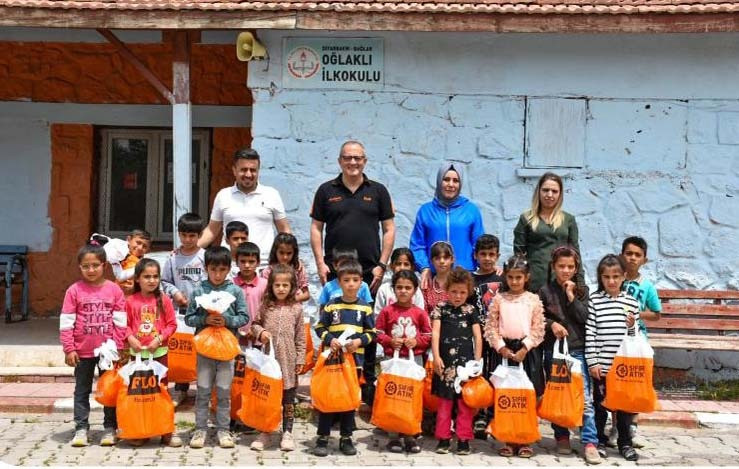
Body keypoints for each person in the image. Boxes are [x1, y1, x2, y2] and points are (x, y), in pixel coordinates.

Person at [60, 243, 126, 447]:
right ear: (79, 267)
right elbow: (66, 322)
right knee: (82, 390)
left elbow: (120, 321)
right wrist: (69, 348)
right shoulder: (74, 291)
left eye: (95, 265)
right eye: (86, 266)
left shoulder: (114, 290)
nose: (91, 270)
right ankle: (81, 428)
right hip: (82, 351)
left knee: (109, 390)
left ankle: (110, 428)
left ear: (104, 265)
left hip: (108, 352)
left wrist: (119, 346)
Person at [538, 246, 600, 464]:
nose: (565, 270)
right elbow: (537, 317)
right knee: (558, 394)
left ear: (576, 268)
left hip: (577, 350)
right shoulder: (545, 291)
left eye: (570, 267)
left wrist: (571, 294)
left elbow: (583, 317)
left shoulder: (583, 291)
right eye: (561, 266)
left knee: (584, 397)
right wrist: (552, 324)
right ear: (553, 267)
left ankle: (590, 441)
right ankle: (562, 436)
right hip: (553, 351)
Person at [310, 140, 395, 292]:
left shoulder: (379, 191)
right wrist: (320, 264)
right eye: (347, 158)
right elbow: (316, 228)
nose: (353, 162)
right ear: (339, 161)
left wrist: (381, 265)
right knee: (333, 315)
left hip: (369, 272)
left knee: (366, 315)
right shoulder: (325, 190)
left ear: (365, 161)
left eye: (357, 158)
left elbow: (389, 229)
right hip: (334, 271)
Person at [185, 247, 249, 449]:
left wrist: (226, 320)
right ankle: (200, 429)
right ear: (206, 268)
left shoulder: (235, 291)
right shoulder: (199, 291)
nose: (218, 274)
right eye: (213, 269)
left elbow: (244, 317)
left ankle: (223, 430)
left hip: (227, 350)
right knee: (203, 390)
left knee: (223, 391)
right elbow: (188, 318)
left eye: (222, 269)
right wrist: (205, 319)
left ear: (229, 269)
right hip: (204, 350)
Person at [313, 260, 376, 457]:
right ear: (339, 282)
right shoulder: (332, 306)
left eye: (355, 280)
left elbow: (372, 333)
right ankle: (322, 437)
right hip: (332, 362)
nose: (350, 284)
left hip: (354, 363)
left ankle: (346, 438)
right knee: (328, 397)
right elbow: (319, 327)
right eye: (346, 280)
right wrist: (330, 340)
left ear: (361, 283)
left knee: (349, 399)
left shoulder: (365, 308)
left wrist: (358, 342)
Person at [484, 254, 545, 458]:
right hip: (505, 353)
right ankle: (508, 438)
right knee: (506, 397)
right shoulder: (499, 299)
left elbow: (538, 328)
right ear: (506, 278)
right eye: (511, 277)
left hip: (526, 352)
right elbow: (491, 326)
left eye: (519, 277)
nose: (515, 281)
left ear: (526, 277)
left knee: (526, 397)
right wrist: (501, 347)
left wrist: (525, 348)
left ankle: (525, 438)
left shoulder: (533, 300)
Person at [585, 254, 640, 462]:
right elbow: (590, 333)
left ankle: (625, 442)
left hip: (623, 369)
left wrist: (632, 325)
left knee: (625, 408)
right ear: (601, 278)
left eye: (616, 276)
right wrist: (593, 362)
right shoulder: (595, 301)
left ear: (624, 276)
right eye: (606, 277)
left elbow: (635, 336)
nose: (611, 281)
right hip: (603, 367)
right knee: (601, 406)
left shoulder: (631, 303)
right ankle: (599, 440)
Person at [200, 147, 290, 266]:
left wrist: (292, 258)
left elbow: (284, 230)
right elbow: (212, 230)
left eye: (253, 170)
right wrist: (188, 251)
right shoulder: (223, 195)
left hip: (264, 265)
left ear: (258, 171)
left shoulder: (272, 194)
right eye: (243, 170)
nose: (248, 174)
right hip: (229, 266)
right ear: (234, 170)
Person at [249, 264, 306, 452]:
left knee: (287, 398)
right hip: (268, 360)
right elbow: (255, 325)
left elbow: (300, 336)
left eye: (285, 285)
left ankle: (287, 432)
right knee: (267, 397)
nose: (281, 289)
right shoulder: (266, 306)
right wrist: (261, 332)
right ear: (271, 286)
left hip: (288, 361)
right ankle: (265, 431)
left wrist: (300, 359)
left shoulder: (296, 308)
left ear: (292, 287)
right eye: (277, 285)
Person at [124, 258, 180, 447]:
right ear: (137, 279)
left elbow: (172, 324)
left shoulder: (164, 300)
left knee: (161, 392)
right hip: (137, 357)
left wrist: (159, 339)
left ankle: (166, 431)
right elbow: (124, 325)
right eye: (146, 276)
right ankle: (142, 430)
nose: (151, 280)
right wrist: (131, 338)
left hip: (160, 355)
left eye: (155, 276)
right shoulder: (130, 301)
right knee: (140, 394)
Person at [375, 270, 432, 454]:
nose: (403, 291)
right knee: (393, 397)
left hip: (413, 361)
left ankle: (410, 434)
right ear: (393, 289)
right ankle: (393, 437)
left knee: (411, 397)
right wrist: (389, 341)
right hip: (392, 361)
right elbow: (377, 332)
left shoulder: (420, 313)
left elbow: (428, 335)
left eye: (408, 288)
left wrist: (417, 342)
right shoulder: (387, 311)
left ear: (415, 290)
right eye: (399, 287)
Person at [616, 236, 662, 449]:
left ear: (644, 259)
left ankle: (632, 427)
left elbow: (656, 314)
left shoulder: (646, 286)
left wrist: (637, 314)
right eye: (629, 253)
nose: (632, 258)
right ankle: (615, 427)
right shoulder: (614, 279)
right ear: (621, 255)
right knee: (617, 384)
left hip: (637, 342)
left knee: (634, 383)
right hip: (614, 339)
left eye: (637, 255)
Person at [430, 267, 482, 456]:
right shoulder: (440, 309)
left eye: (462, 292)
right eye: (454, 291)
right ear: (447, 289)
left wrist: (477, 362)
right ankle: (443, 439)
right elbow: (435, 334)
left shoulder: (471, 310)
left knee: (465, 405)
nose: (458, 296)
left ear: (468, 292)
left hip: (466, 366)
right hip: (445, 364)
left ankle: (463, 440)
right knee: (444, 404)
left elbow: (478, 336)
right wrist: (436, 357)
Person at [410, 162, 484, 290]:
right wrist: (424, 267)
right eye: (446, 179)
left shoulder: (471, 210)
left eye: (455, 181)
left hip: (465, 278)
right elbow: (417, 245)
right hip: (433, 277)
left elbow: (480, 244)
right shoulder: (426, 211)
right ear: (439, 181)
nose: (451, 184)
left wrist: (487, 267)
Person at [161, 212, 206, 407]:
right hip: (181, 314)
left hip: (202, 312)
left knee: (203, 352)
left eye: (192, 236)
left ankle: (204, 390)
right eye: (184, 235)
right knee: (182, 351)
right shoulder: (173, 258)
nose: (188, 240)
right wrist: (175, 293)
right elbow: (164, 281)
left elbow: (213, 279)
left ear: (199, 235)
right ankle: (180, 388)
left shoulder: (204, 257)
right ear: (179, 234)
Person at [513, 172, 582, 293]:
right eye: (545, 190)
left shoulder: (568, 220)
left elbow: (576, 254)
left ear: (560, 194)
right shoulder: (526, 218)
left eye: (554, 191)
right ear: (538, 191)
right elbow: (518, 256)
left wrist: (580, 283)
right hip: (534, 282)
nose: (549, 195)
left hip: (562, 282)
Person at [469, 234, 504, 439]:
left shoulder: (503, 279)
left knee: (496, 374)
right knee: (478, 374)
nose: (488, 258)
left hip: (499, 337)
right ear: (476, 255)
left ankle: (494, 413)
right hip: (479, 337)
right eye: (483, 254)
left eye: (492, 254)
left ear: (498, 256)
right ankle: (479, 414)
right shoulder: (471, 280)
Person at [373, 248, 425, 317]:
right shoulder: (384, 289)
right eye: (398, 264)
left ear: (412, 267)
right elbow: (377, 315)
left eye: (406, 264)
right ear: (391, 266)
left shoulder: (416, 290)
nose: (402, 268)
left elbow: (420, 315)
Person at [261, 233, 310, 303]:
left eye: (289, 253)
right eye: (281, 253)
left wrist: (291, 300)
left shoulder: (298, 269)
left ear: (294, 253)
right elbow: (264, 296)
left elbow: (306, 294)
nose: (285, 257)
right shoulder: (268, 272)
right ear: (275, 252)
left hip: (294, 309)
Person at [113, 229, 152, 295]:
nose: (140, 248)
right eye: (138, 243)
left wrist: (135, 287)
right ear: (129, 239)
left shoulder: (143, 264)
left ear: (148, 250)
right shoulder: (116, 254)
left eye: (144, 246)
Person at [421, 241, 454, 317]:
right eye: (438, 258)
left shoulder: (459, 283)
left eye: (445, 258)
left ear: (452, 259)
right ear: (432, 261)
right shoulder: (427, 285)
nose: (442, 261)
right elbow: (424, 313)